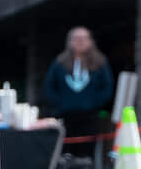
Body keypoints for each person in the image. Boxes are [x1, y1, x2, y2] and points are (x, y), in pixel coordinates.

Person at [39, 27, 112, 161]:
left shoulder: (100, 62)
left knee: (87, 154)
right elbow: (49, 86)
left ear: (90, 41)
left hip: (90, 117)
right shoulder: (60, 63)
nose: (80, 42)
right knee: (65, 153)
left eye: (84, 39)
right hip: (65, 116)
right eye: (76, 39)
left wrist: (94, 103)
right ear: (70, 42)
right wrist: (59, 104)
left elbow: (107, 87)